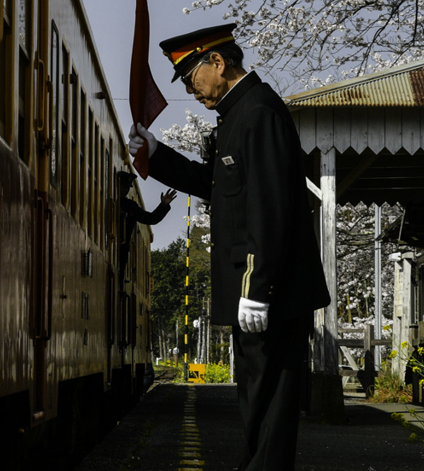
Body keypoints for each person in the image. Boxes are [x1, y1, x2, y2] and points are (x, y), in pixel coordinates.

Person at [127, 23, 330, 471]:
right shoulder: (240, 116)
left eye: (189, 77)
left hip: (268, 292)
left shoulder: (257, 114)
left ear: (217, 62)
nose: (189, 89)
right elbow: (218, 187)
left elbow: (269, 208)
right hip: (259, 289)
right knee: (258, 400)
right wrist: (158, 154)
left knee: (270, 399)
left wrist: (257, 287)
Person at [118, 170, 176, 279]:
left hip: (121, 254)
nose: (125, 190)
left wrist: (163, 205)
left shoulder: (130, 206)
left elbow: (152, 218)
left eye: (127, 187)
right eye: (123, 186)